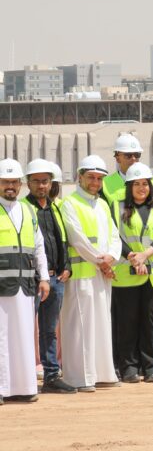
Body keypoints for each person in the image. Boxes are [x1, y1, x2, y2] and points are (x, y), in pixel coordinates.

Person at [60, 155, 121, 392]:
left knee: (101, 324)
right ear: (80, 177)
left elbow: (114, 236)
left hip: (100, 275)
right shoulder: (70, 203)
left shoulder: (103, 204)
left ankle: (103, 373)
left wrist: (112, 257)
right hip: (81, 275)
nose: (95, 182)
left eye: (99, 178)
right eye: (91, 177)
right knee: (81, 327)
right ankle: (81, 378)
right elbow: (78, 240)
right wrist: (102, 262)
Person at [108, 162, 153, 383]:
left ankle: (150, 366)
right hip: (126, 274)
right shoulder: (116, 208)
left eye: (145, 184)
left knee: (150, 321)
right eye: (136, 184)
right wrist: (134, 258)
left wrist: (145, 255)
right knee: (127, 322)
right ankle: (129, 367)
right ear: (129, 186)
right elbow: (115, 236)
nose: (142, 188)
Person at [0, 160, 50, 403]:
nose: (10, 186)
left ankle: (25, 387)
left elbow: (38, 247)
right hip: (1, 286)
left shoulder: (29, 211)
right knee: (1, 338)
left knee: (24, 336)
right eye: (5, 182)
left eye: (13, 182)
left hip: (26, 284)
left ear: (20, 184)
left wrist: (45, 278)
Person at [26, 159, 74, 394]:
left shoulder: (55, 207)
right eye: (36, 181)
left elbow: (61, 239)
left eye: (45, 181)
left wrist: (67, 265)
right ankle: (23, 376)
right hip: (34, 280)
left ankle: (52, 375)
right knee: (25, 329)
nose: (41, 185)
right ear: (28, 183)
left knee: (49, 329)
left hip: (57, 279)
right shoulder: (25, 208)